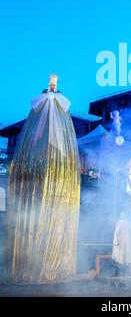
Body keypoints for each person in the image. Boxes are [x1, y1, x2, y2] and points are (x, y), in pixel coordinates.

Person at [6, 75, 81, 284]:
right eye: (51, 86)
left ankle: (52, 263)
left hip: (57, 197)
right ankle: (29, 264)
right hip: (35, 192)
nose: (52, 87)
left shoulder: (61, 116)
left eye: (54, 86)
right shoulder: (39, 117)